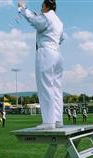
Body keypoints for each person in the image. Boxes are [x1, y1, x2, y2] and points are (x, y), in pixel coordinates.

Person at [18, 0, 66, 129]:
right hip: (57, 53)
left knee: (45, 86)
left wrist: (23, 9)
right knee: (56, 88)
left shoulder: (45, 16)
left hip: (46, 52)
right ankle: (57, 120)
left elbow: (35, 21)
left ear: (45, 6)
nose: (41, 9)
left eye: (41, 7)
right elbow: (61, 38)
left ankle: (49, 122)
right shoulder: (59, 21)